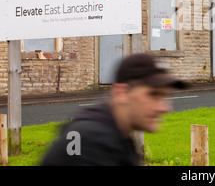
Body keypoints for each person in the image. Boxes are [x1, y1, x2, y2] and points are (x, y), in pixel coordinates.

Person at [40, 53, 186, 166]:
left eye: (166, 96)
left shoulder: (116, 135)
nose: (165, 107)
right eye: (153, 95)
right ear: (121, 93)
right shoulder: (92, 141)